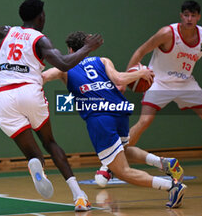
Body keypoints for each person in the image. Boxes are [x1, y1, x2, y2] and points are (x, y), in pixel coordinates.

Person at [0, 0, 103, 212]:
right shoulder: (40, 40)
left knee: (33, 153)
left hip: (3, 98)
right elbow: (64, 63)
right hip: (29, 93)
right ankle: (79, 196)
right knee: (50, 142)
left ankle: (35, 164)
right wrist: (87, 47)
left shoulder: (7, 31)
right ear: (41, 17)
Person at [42, 31, 187, 208]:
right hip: (119, 111)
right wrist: (140, 73)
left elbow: (43, 77)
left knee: (122, 171)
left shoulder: (64, 68)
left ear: (71, 50)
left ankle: (172, 186)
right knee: (124, 150)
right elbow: (119, 79)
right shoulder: (102, 60)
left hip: (99, 118)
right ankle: (162, 162)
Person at [126, 0, 202, 181]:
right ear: (181, 16)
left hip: (185, 83)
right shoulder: (167, 33)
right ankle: (110, 165)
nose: (190, 19)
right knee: (144, 121)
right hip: (159, 82)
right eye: (186, 15)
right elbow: (141, 51)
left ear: (199, 17)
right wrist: (127, 77)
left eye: (193, 15)